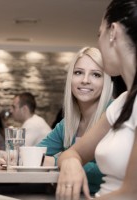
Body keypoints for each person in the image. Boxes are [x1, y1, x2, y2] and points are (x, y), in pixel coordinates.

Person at [56, 0, 137, 199]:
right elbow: (73, 153)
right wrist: (71, 162)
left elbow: (131, 193)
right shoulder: (122, 103)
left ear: (113, 33)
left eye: (98, 34)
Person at [37, 47, 113, 195]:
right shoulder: (68, 124)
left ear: (106, 82)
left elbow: (116, 171)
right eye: (78, 72)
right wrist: (16, 156)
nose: (85, 80)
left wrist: (58, 162)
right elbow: (36, 153)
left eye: (96, 75)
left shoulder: (115, 113)